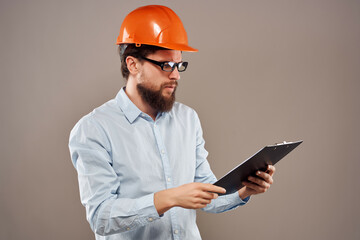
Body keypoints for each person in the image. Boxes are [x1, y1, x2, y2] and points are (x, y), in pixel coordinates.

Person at [69, 5, 275, 240]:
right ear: (133, 64)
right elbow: (101, 218)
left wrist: (244, 190)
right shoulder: (93, 130)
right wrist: (169, 198)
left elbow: (206, 194)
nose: (176, 75)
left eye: (179, 65)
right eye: (166, 65)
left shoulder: (188, 119)